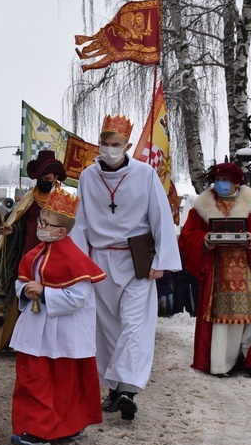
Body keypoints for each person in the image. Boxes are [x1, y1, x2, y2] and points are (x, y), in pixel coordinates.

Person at [71, 114, 181, 421]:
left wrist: (162, 261)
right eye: (104, 144)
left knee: (134, 327)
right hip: (99, 261)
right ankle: (112, 389)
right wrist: (77, 263)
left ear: (128, 145)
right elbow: (80, 225)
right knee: (106, 330)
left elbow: (159, 216)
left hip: (136, 261)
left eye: (115, 144)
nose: (108, 150)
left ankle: (127, 392)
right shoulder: (87, 177)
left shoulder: (145, 175)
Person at [10, 188, 106, 445]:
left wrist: (44, 292)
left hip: (63, 333)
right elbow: (21, 281)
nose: (40, 227)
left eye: (45, 223)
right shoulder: (36, 253)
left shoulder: (75, 258)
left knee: (63, 384)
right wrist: (25, 290)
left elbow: (77, 297)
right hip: (36, 329)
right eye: (41, 221)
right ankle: (33, 428)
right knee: (34, 379)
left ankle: (53, 429)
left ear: (62, 231)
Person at [178, 162, 251, 378]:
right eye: (217, 180)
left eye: (225, 180)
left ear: (236, 182)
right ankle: (222, 364)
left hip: (249, 270)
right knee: (222, 320)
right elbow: (187, 236)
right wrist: (203, 240)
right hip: (219, 274)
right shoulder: (202, 207)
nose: (220, 184)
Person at [0, 150, 67, 352]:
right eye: (40, 179)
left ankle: (47, 341)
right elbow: (20, 224)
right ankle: (20, 340)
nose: (44, 182)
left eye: (47, 179)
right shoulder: (29, 199)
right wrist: (12, 229)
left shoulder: (61, 201)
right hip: (28, 255)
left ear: (55, 178)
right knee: (24, 297)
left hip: (53, 256)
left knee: (48, 298)